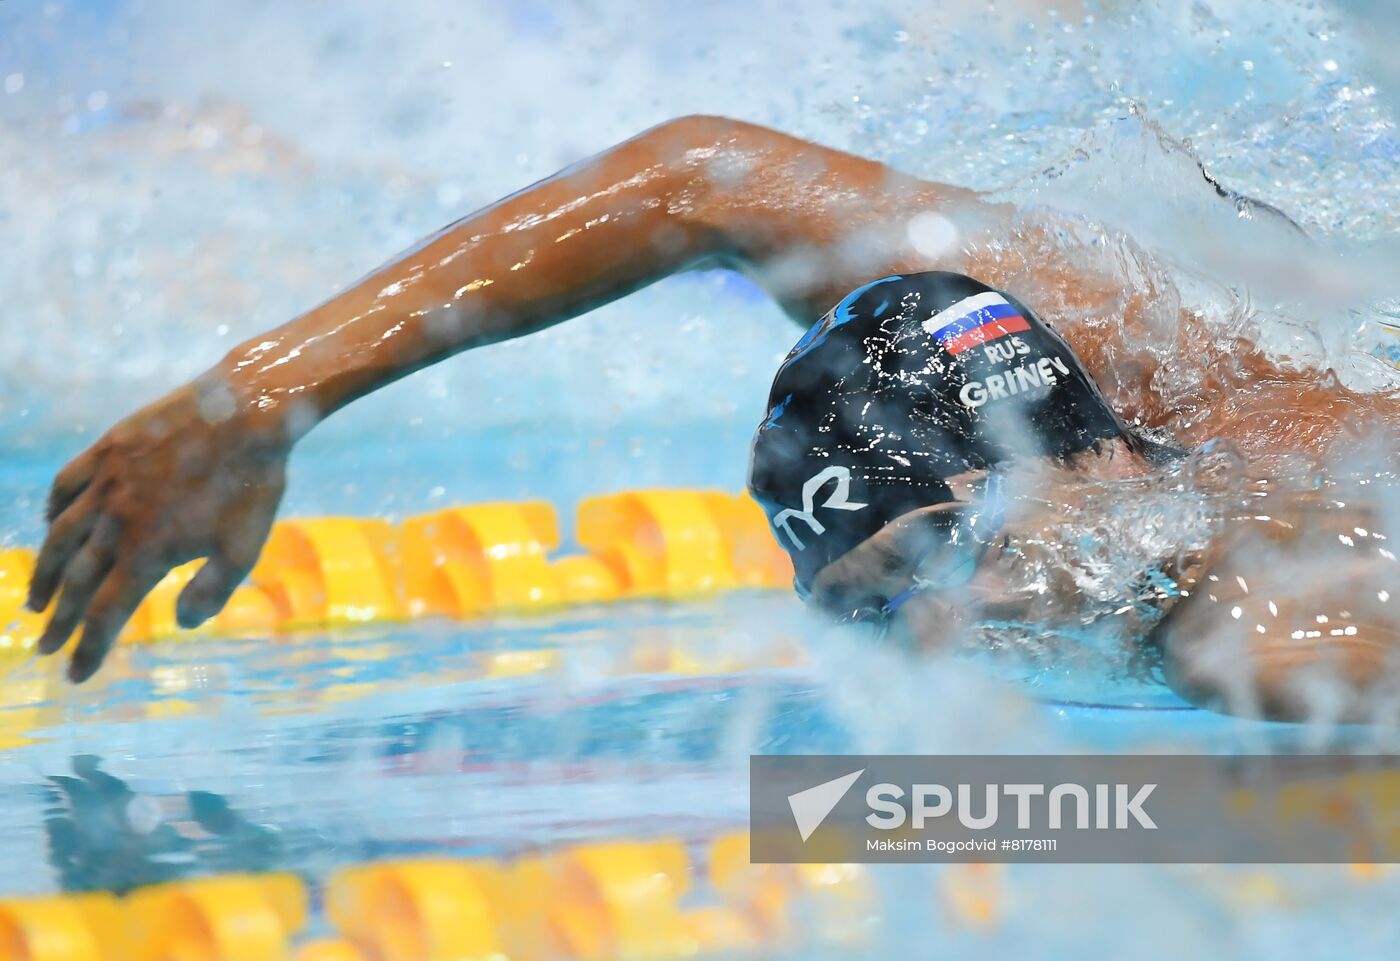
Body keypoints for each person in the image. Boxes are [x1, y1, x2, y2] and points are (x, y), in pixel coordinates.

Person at [25, 116, 1399, 720]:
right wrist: (260, 398)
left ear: (1075, 469)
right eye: (867, 598)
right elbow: (692, 179)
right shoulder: (1084, 329)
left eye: (934, 563)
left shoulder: (1276, 625)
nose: (931, 627)